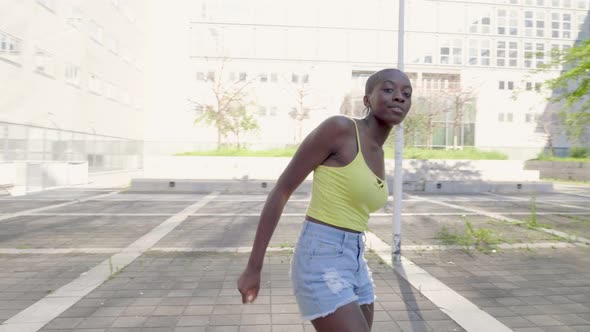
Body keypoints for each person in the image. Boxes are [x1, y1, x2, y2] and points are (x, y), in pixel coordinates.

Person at [237, 68, 413, 332]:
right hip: (321, 258)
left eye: (406, 94)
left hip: (355, 259)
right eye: (388, 89)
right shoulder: (340, 129)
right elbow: (281, 190)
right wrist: (254, 267)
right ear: (367, 99)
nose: (399, 97)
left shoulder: (378, 152)